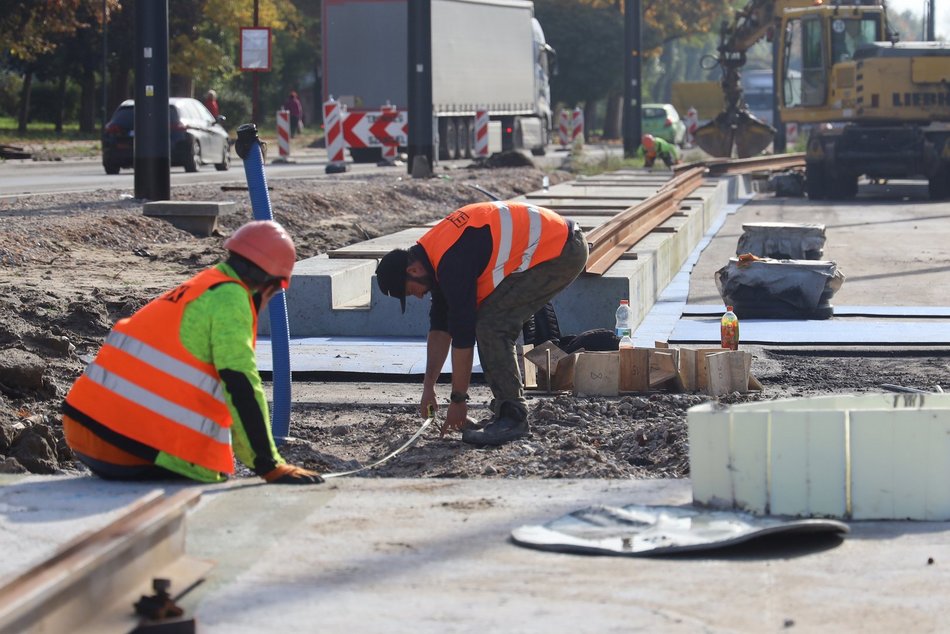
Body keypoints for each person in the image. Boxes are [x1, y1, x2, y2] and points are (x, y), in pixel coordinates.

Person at [62, 220, 324, 485]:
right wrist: (269, 466)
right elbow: (241, 384)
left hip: (82, 428)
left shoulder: (204, 285)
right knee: (208, 478)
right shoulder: (230, 299)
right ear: (272, 285)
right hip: (124, 445)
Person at [375, 201, 588, 447]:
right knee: (488, 322)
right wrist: (428, 388)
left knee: (491, 325)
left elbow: (463, 337)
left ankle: (513, 416)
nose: (419, 296)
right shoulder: (435, 256)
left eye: (411, 291)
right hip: (556, 244)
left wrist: (458, 401)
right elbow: (440, 329)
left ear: (412, 270)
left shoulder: (452, 262)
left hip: (561, 251)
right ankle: (504, 412)